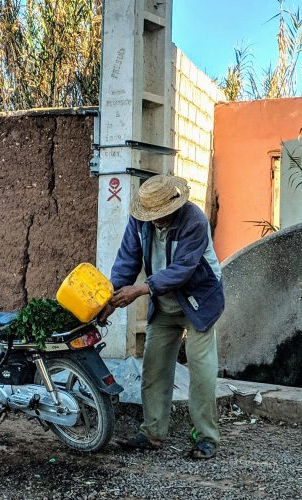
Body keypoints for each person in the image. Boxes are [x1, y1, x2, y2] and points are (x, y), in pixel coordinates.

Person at [99, 174, 224, 459]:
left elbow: (183, 269)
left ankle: (207, 437)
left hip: (198, 302)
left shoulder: (194, 220)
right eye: (152, 215)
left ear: (175, 205)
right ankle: (152, 433)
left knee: (201, 372)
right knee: (154, 369)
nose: (156, 220)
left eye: (162, 215)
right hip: (164, 303)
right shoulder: (139, 219)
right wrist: (112, 298)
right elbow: (127, 260)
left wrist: (141, 289)